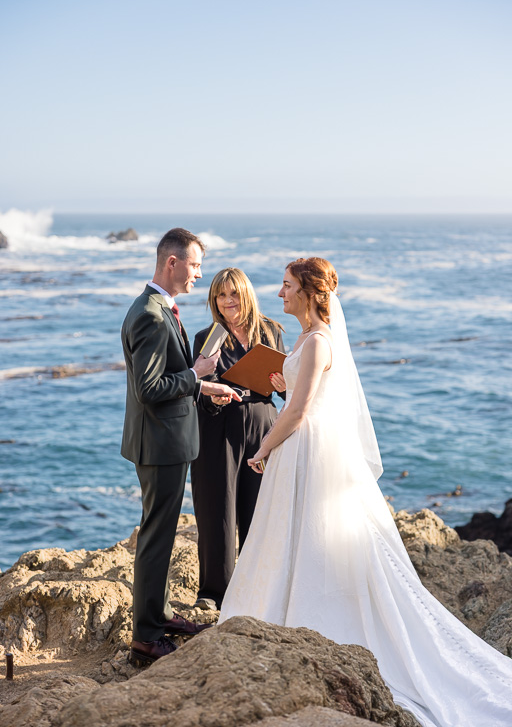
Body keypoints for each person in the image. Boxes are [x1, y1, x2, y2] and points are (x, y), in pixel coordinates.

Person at [219, 257, 512, 727]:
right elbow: (302, 394)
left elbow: (297, 414)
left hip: (304, 448)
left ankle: (310, 618)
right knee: (298, 535)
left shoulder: (317, 341)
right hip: (305, 449)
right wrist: (282, 382)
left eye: (287, 285)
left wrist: (262, 449)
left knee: (313, 538)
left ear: (311, 292)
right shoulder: (308, 339)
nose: (279, 293)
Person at [121, 228, 241, 666]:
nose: (198, 275)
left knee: (164, 533)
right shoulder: (151, 315)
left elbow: (166, 381)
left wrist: (202, 385)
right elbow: (151, 388)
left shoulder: (157, 307)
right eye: (194, 265)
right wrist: (196, 373)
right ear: (171, 263)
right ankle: (147, 637)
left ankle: (160, 614)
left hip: (165, 440)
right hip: (160, 444)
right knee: (156, 537)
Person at [191, 267, 286, 610]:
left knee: (259, 512)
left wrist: (285, 386)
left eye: (233, 294)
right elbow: (196, 389)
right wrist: (212, 398)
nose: (227, 301)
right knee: (217, 512)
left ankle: (257, 589)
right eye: (220, 295)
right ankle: (214, 595)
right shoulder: (207, 336)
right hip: (219, 429)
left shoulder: (271, 331)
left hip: (263, 425)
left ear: (246, 294)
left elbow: (289, 389)